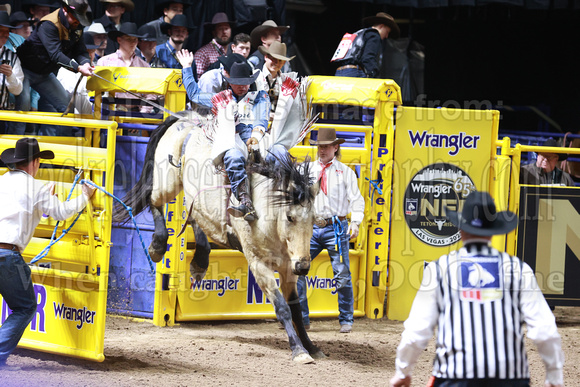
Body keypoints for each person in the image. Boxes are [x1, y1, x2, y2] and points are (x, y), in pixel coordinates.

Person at [389, 190, 565, 387]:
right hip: (509, 378)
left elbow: (417, 330)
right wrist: (554, 375)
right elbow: (545, 330)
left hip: (454, 376)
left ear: (460, 228)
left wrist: (403, 370)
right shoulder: (517, 269)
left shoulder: (440, 269)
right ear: (493, 231)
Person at [0, 138, 96, 371]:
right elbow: (61, 213)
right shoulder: (37, 188)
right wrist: (84, 196)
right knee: (25, 307)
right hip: (8, 256)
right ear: (35, 162)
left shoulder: (2, 181)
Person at [177, 50, 269, 221]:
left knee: (277, 155)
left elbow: (261, 119)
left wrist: (255, 137)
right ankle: (245, 202)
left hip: (258, 141)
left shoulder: (259, 97)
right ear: (230, 82)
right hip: (232, 143)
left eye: (246, 83)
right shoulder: (221, 98)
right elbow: (195, 95)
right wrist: (187, 67)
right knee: (233, 157)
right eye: (238, 83)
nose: (242, 86)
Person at [297, 128, 365, 334]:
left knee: (342, 274)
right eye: (320, 146)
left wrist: (356, 222)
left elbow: (357, 200)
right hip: (311, 227)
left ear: (336, 147)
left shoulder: (345, 172)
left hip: (336, 227)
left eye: (326, 146)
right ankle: (302, 319)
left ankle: (346, 318)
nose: (322, 150)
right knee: (298, 271)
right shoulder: (305, 170)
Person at [15, 0, 93, 136]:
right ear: (65, 10)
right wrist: (78, 68)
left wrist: (86, 63)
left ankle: (56, 148)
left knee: (66, 107)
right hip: (24, 71)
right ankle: (11, 149)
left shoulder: (77, 25)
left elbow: (80, 51)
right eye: (75, 17)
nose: (77, 22)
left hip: (45, 74)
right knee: (23, 106)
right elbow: (56, 55)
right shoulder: (48, 24)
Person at [96, 22, 154, 116]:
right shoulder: (104, 62)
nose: (132, 42)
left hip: (135, 112)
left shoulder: (145, 66)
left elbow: (150, 95)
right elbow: (97, 91)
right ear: (119, 40)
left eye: (135, 39)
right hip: (108, 111)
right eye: (128, 39)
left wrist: (141, 117)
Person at [332, 12, 399, 78]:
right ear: (381, 26)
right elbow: (367, 58)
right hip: (354, 72)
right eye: (387, 32)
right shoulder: (374, 35)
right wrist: (374, 74)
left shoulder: (359, 33)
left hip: (339, 72)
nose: (386, 36)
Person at [0, 11, 24, 134]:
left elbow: (18, 90)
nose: (4, 35)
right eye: (1, 30)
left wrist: (10, 75)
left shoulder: (12, 57)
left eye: (7, 31)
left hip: (2, 115)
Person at [255, 41, 295, 114]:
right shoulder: (255, 76)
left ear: (284, 63)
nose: (276, 63)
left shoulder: (286, 81)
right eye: (273, 59)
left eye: (280, 60)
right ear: (266, 57)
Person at [193, 12, 234, 79]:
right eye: (220, 29)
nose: (224, 32)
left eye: (226, 28)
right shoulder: (202, 53)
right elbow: (199, 80)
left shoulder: (235, 49)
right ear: (214, 32)